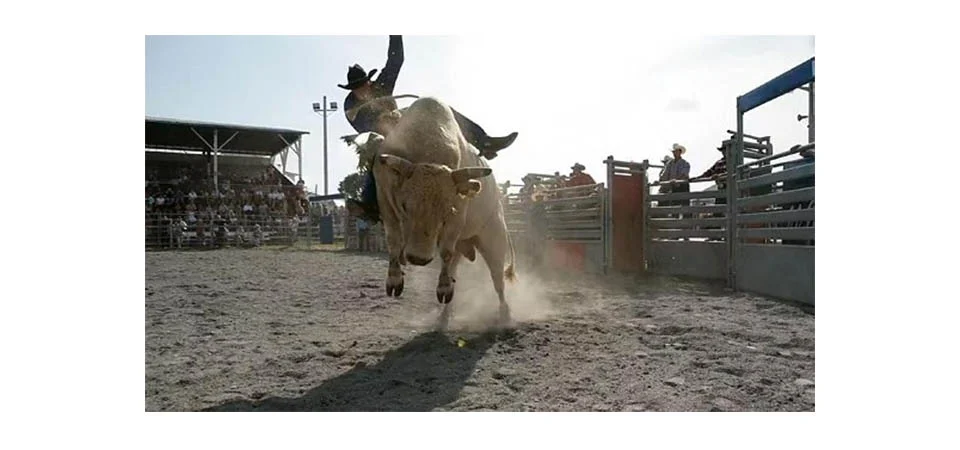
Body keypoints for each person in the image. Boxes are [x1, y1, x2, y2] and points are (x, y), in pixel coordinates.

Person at [340, 35, 519, 222]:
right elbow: (362, 127)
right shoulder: (350, 105)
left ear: (368, 81)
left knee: (440, 109)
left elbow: (396, 60)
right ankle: (370, 204)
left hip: (401, 122)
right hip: (381, 136)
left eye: (363, 85)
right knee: (375, 155)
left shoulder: (381, 85)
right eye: (357, 88)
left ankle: (484, 142)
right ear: (352, 90)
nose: (362, 90)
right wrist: (379, 123)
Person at [660, 143, 691, 209]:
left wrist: (676, 180)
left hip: (683, 186)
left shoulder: (685, 163)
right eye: (673, 152)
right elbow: (665, 174)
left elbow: (684, 175)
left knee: (685, 206)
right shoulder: (670, 163)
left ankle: (686, 218)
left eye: (675, 151)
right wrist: (661, 180)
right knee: (674, 206)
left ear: (680, 152)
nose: (674, 153)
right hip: (673, 186)